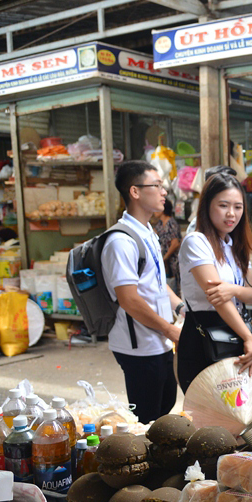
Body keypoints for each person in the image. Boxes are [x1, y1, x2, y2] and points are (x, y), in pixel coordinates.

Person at [101, 161, 184, 423]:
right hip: (138, 346)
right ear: (135, 192)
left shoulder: (147, 232)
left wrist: (181, 308)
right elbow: (129, 299)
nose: (163, 192)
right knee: (147, 418)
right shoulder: (121, 241)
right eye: (157, 185)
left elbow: (157, 284)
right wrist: (170, 330)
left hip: (157, 340)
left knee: (166, 403)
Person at [177, 172, 252, 395]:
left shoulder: (235, 245)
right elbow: (218, 299)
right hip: (204, 337)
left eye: (238, 207)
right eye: (223, 205)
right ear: (207, 205)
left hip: (232, 333)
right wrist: (248, 337)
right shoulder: (197, 241)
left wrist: (232, 289)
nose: (231, 214)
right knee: (210, 418)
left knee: (237, 414)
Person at [153, 198, 182, 294]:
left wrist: (165, 258)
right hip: (165, 261)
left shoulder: (171, 223)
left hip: (173, 261)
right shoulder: (160, 224)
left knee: (176, 285)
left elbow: (175, 243)